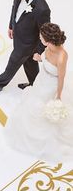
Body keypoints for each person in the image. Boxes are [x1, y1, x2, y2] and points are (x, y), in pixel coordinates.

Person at [5, 23, 73, 163]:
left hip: (52, 86)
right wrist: (40, 58)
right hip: (42, 80)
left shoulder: (62, 56)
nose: (40, 39)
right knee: (33, 102)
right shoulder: (48, 47)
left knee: (44, 108)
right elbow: (47, 60)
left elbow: (61, 77)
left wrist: (58, 96)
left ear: (48, 40)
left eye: (41, 38)